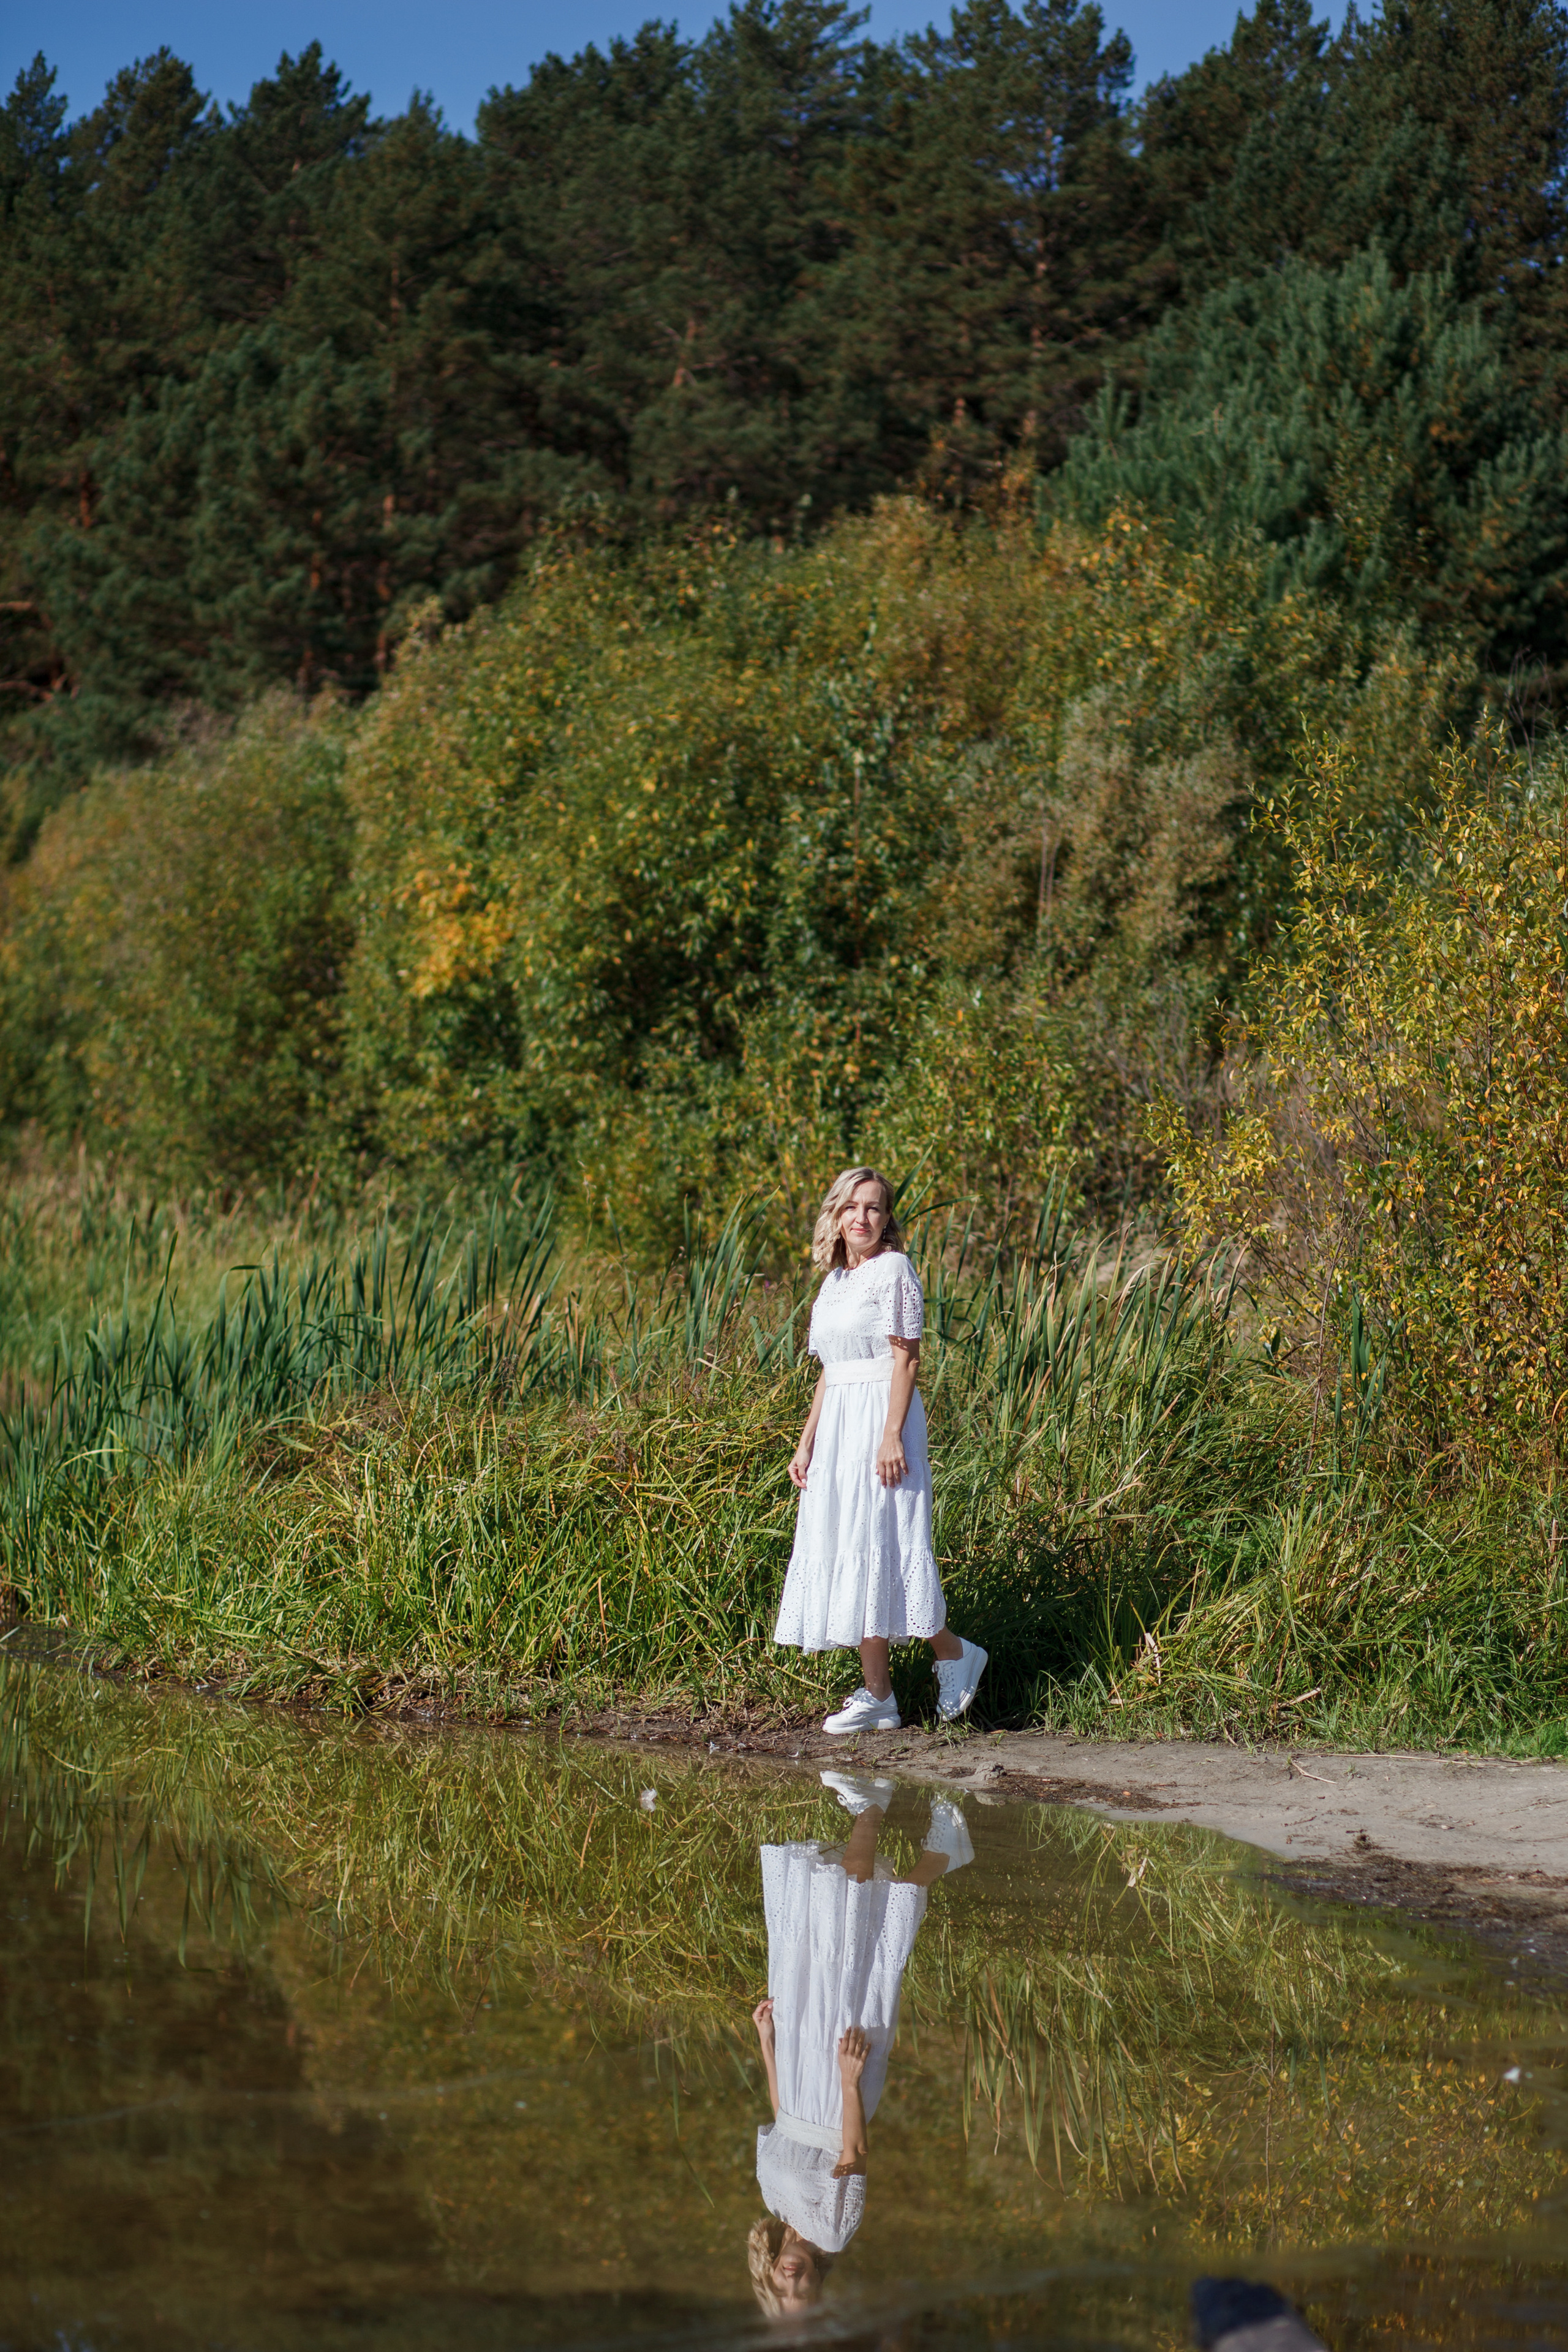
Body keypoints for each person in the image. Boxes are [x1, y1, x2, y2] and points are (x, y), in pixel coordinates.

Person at [747, 1774, 974, 2318]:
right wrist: (849, 2081)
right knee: (861, 1953)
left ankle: (920, 1837)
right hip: (837, 2091)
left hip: (801, 2065)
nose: (793, 2284)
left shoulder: (773, 2201)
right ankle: (897, 1821)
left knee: (832, 1938)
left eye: (783, 2293)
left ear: (770, 2281)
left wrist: (767, 2044)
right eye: (805, 2293)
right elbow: (854, 2156)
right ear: (819, 2286)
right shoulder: (833, 2234)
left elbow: (780, 2117)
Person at [775, 1165, 987, 1735]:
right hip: (839, 1425)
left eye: (873, 1208)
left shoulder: (895, 1270)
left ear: (886, 1217)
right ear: (836, 1216)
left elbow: (907, 1358)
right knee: (852, 1541)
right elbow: (828, 1373)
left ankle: (953, 1652)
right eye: (851, 1207)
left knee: (888, 1539)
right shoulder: (834, 1283)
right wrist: (807, 1442)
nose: (862, 1218)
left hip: (881, 1419)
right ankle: (880, 1698)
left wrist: (891, 1434)